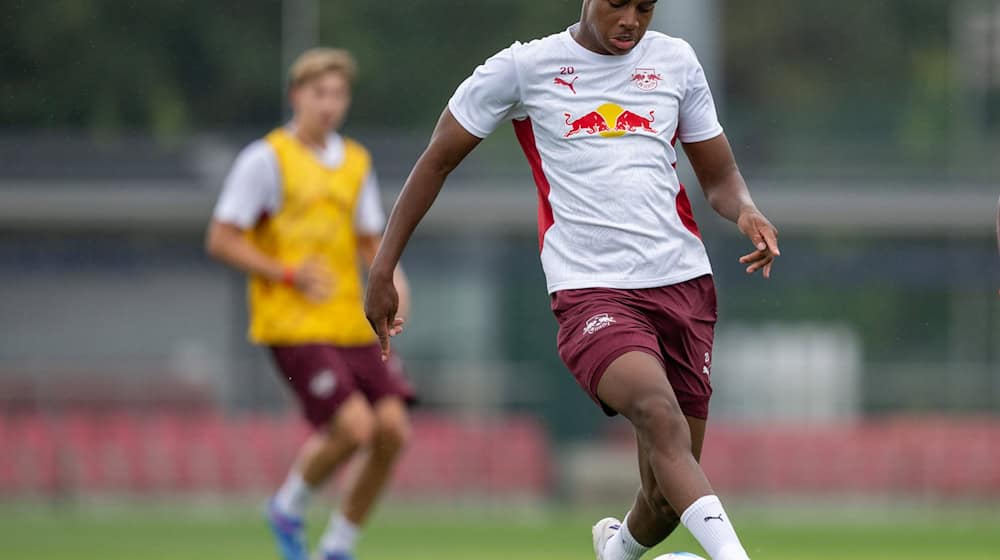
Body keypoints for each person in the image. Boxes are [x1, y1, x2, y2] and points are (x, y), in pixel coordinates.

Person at [365, 2, 779, 560]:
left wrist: (746, 209)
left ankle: (615, 549)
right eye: (618, 4)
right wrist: (383, 266)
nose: (632, 19)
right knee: (660, 416)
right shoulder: (524, 67)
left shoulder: (676, 61)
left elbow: (720, 175)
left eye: (646, 7)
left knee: (661, 499)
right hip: (591, 292)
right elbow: (436, 159)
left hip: (685, 286)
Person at [206, 48, 414, 560]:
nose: (329, 104)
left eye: (338, 94)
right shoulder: (266, 159)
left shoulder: (356, 162)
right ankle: (288, 505)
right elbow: (221, 238)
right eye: (318, 93)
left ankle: (338, 546)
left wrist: (396, 289)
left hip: (348, 322)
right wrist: (288, 273)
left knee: (391, 431)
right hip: (292, 324)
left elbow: (372, 245)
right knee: (354, 427)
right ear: (296, 95)